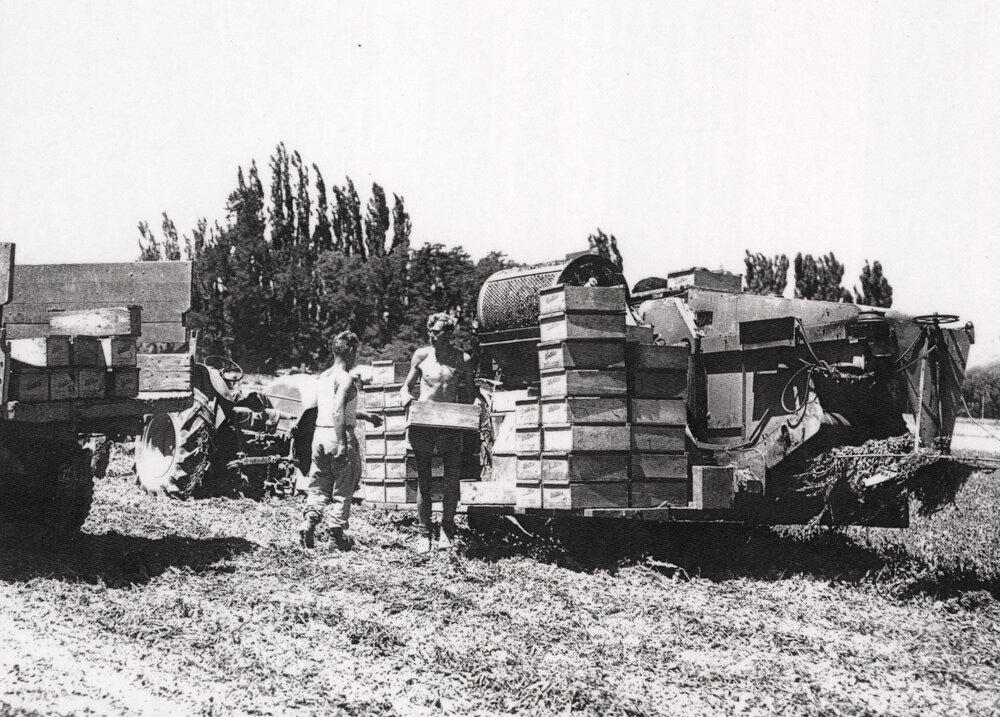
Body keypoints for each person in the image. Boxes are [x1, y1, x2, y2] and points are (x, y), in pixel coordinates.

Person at [298, 330, 382, 549]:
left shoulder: (323, 376)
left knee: (319, 485)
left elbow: (328, 408)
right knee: (343, 489)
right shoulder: (346, 378)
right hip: (338, 436)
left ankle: (309, 521)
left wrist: (364, 416)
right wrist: (344, 444)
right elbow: (337, 411)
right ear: (352, 351)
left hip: (319, 435)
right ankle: (336, 536)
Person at [400, 312, 476, 553]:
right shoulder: (421, 356)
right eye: (430, 331)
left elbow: (471, 392)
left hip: (450, 423)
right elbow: (406, 387)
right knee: (424, 478)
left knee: (451, 479)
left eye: (438, 332)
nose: (432, 336)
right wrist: (405, 398)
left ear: (449, 333)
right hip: (423, 422)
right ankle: (424, 532)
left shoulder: (462, 359)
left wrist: (475, 406)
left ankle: (447, 528)